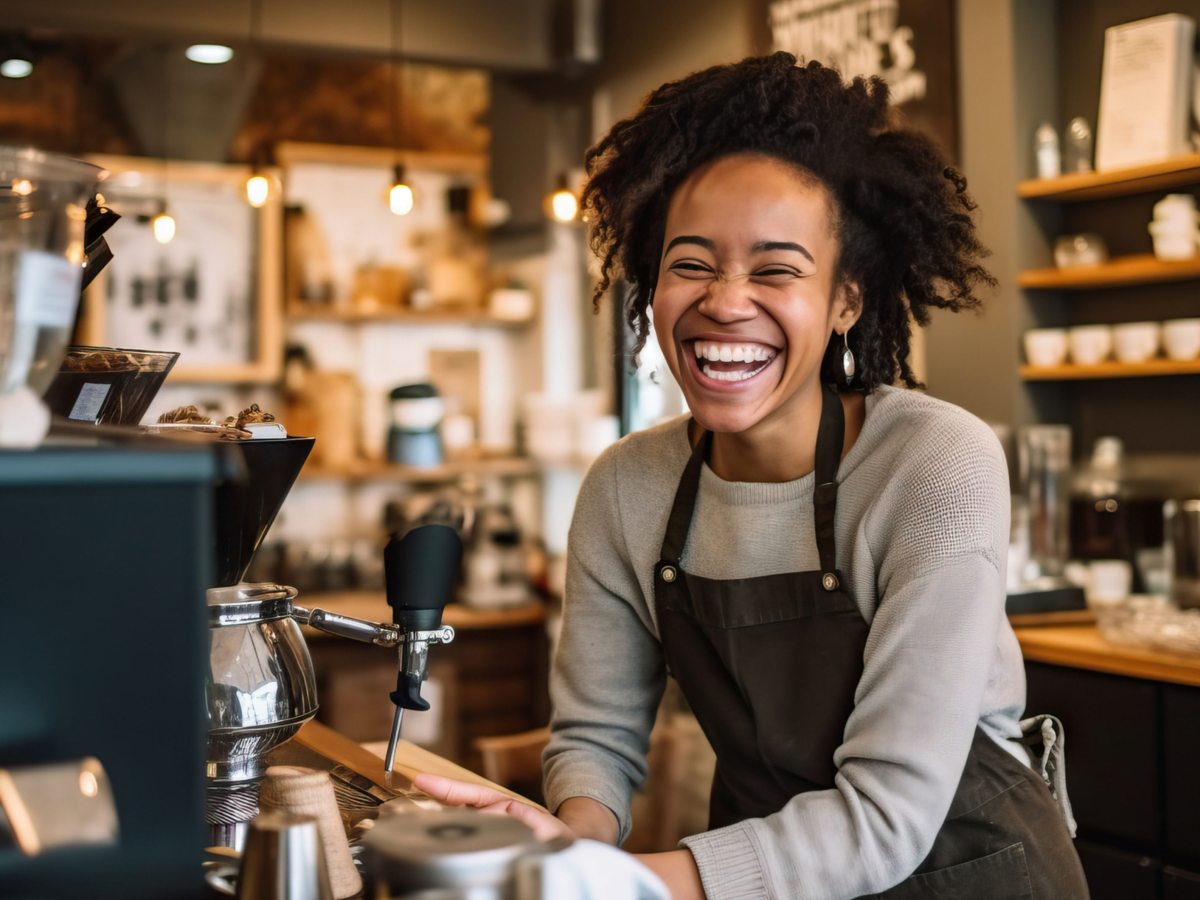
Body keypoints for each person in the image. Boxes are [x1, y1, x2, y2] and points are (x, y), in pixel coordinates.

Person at [416, 52, 1089, 898]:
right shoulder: (629, 487)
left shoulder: (933, 464)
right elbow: (596, 735)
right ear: (650, 283)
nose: (726, 302)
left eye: (776, 269)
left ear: (847, 298)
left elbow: (886, 817)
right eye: (690, 263)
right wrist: (571, 844)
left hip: (966, 872)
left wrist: (635, 884)